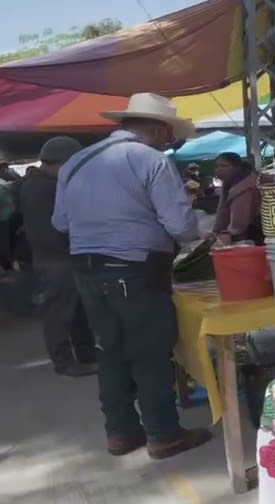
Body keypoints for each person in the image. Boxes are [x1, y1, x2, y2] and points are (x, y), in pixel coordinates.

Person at [53, 92, 211, 458]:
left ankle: (121, 433)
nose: (169, 141)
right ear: (157, 129)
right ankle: (163, 433)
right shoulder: (149, 159)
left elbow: (60, 222)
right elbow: (181, 227)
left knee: (109, 349)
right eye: (169, 134)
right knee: (149, 352)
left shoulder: (76, 161)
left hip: (86, 266)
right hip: (134, 267)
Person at [22, 136, 96, 377]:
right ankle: (64, 362)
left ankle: (85, 354)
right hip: (58, 258)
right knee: (60, 314)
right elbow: (55, 228)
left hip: (58, 257)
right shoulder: (44, 188)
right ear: (61, 163)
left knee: (76, 311)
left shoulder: (40, 184)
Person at [210, 152, 262, 244]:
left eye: (224, 166)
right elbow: (221, 216)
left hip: (254, 238)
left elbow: (239, 226)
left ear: (237, 167)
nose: (218, 170)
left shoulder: (246, 188)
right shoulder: (228, 185)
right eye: (217, 166)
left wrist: (225, 234)